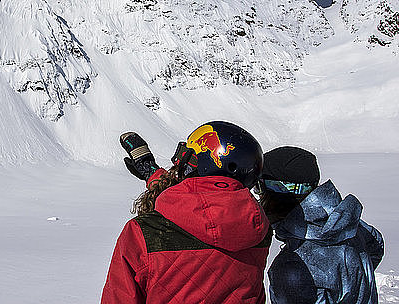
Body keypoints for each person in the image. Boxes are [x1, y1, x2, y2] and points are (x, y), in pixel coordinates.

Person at [101, 121, 272, 304]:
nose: (180, 166)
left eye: (188, 159)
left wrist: (153, 177)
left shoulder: (141, 233)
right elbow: (211, 200)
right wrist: (153, 174)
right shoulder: (259, 230)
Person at [255, 146, 384, 304]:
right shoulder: (348, 226)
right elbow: (376, 244)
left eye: (259, 187)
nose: (258, 196)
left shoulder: (292, 267)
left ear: (281, 191)